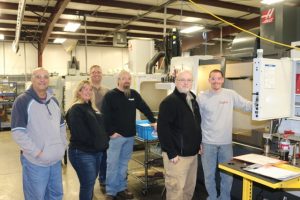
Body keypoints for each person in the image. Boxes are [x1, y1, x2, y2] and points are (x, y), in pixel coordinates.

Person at [11, 67, 67, 200]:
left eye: (46, 77)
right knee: (36, 196)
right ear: (32, 79)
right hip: (35, 163)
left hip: (55, 162)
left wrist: (62, 146)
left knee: (56, 195)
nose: (42, 80)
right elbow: (18, 132)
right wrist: (38, 153)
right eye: (38, 76)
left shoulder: (54, 101)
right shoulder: (23, 101)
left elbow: (61, 126)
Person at [197, 69, 252, 200]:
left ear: (222, 80)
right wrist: (198, 142)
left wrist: (263, 103)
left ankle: (225, 198)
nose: (216, 81)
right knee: (209, 175)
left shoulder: (230, 94)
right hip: (207, 143)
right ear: (209, 80)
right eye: (213, 78)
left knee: (227, 176)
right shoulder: (202, 97)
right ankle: (212, 197)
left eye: (218, 78)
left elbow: (246, 106)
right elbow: (197, 120)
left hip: (226, 143)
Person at [102, 70, 156, 200]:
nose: (127, 81)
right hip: (115, 138)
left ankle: (121, 188)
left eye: (129, 78)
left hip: (130, 136)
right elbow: (105, 116)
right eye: (124, 78)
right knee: (112, 165)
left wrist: (153, 121)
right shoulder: (110, 95)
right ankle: (111, 192)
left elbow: (144, 107)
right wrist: (111, 132)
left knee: (123, 164)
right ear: (118, 80)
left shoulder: (133, 94)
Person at [157, 70, 202, 200]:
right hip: (177, 156)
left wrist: (198, 144)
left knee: (189, 189)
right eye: (182, 80)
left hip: (192, 154)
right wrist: (171, 152)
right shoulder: (169, 102)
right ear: (176, 82)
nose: (185, 83)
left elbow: (196, 124)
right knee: (176, 190)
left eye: (189, 80)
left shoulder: (192, 98)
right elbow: (162, 129)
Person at [66, 80, 109, 200]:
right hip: (82, 152)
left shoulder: (91, 107)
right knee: (87, 185)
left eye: (90, 89)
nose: (88, 92)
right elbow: (80, 134)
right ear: (78, 92)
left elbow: (100, 129)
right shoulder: (76, 109)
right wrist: (100, 143)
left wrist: (103, 142)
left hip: (96, 152)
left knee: (89, 183)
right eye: (84, 89)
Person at [89, 65, 109, 188]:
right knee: (90, 156)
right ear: (89, 74)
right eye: (93, 72)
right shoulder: (86, 89)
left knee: (104, 155)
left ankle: (103, 178)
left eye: (99, 72)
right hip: (90, 128)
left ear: (102, 75)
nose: (96, 74)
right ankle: (90, 180)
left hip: (104, 128)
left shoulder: (107, 91)